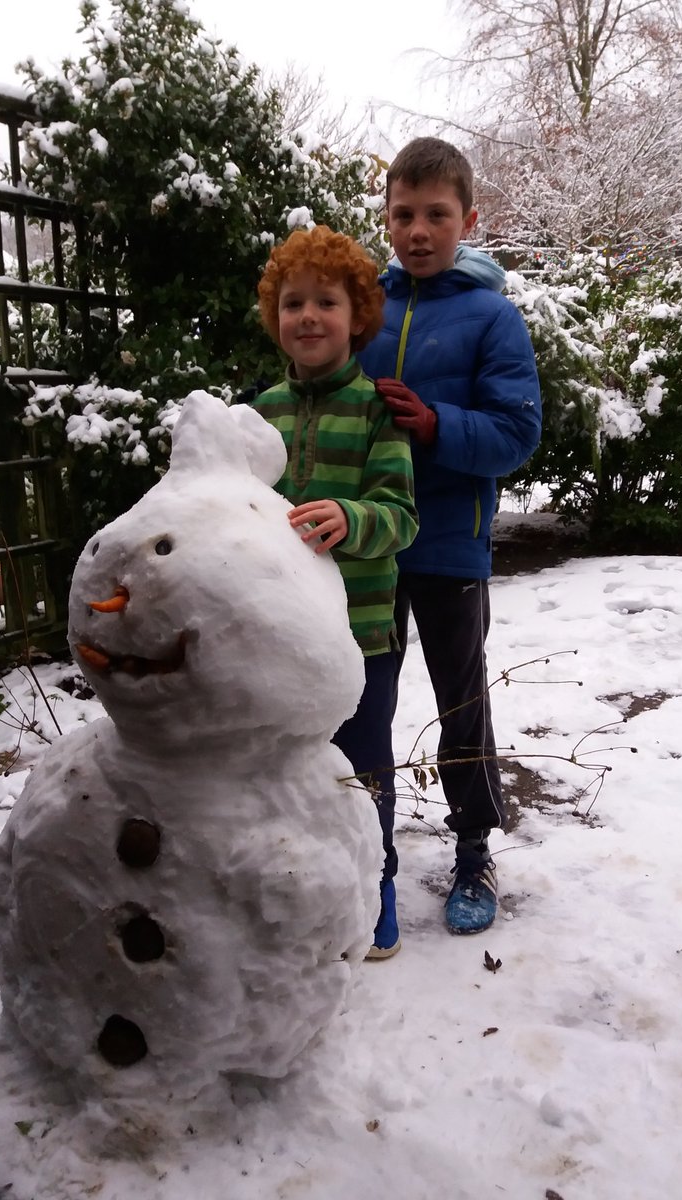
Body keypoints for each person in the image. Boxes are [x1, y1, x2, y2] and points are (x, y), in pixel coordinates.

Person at [357, 136, 542, 935]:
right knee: (361, 705)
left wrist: (435, 425)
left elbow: (515, 433)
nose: (419, 231)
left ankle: (474, 849)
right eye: (404, 215)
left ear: (468, 219)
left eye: (437, 215)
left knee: (460, 703)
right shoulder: (363, 307)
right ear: (387, 217)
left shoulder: (492, 317)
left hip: (449, 548)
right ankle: (369, 859)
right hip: (365, 549)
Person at [253, 224, 419, 960]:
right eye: (294, 303)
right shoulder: (259, 416)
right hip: (279, 635)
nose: (309, 317)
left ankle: (373, 885)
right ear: (275, 317)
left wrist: (351, 518)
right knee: (282, 766)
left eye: (326, 302)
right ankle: (290, 887)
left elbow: (401, 517)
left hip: (362, 634)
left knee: (360, 767)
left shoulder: (377, 408)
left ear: (358, 317)